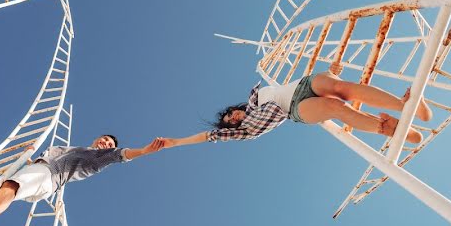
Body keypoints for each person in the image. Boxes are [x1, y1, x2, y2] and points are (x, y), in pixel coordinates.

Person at [0, 134, 165, 226]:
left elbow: (121, 155)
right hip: (40, 171)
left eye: (109, 143)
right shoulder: (76, 148)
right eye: (105, 139)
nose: (106, 143)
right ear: (97, 138)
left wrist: (144, 150)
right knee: (5, 188)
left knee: (10, 188)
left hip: (48, 175)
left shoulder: (98, 157)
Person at [160, 70, 431, 149]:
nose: (234, 117)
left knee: (340, 87)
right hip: (297, 109)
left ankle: (403, 104)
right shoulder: (245, 130)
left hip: (302, 84)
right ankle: (384, 128)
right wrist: (176, 142)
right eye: (230, 121)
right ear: (232, 127)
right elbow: (208, 137)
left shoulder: (256, 96)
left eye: (232, 113)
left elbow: (280, 87)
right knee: (333, 106)